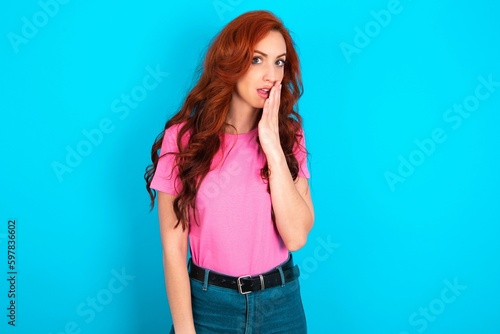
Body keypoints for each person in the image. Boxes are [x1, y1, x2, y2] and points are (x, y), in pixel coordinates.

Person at [144, 10, 314, 334]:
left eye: (279, 62)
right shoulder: (183, 140)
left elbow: (295, 235)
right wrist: (184, 329)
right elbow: (173, 249)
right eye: (257, 60)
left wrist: (273, 148)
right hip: (209, 308)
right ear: (232, 62)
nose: (271, 75)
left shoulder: (290, 135)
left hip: (282, 307)